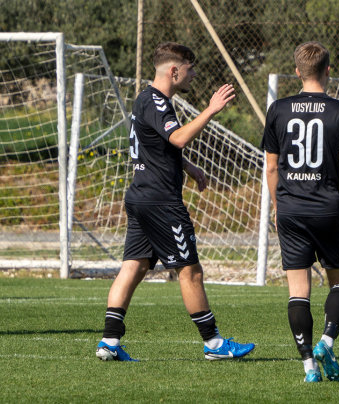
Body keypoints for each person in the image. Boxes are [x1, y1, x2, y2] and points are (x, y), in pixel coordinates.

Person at [95, 42, 254, 362]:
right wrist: (211, 109)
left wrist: (189, 167)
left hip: (141, 196)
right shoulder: (157, 101)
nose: (193, 74)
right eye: (190, 68)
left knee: (134, 266)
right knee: (190, 271)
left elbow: (157, 145)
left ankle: (109, 342)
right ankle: (214, 344)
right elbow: (177, 138)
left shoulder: (145, 98)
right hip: (161, 202)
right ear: (174, 71)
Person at [262, 42, 339, 383]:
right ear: (328, 71)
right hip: (328, 209)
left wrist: (279, 208)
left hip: (291, 208)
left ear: (297, 72)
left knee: (298, 291)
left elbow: (272, 168)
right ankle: (326, 341)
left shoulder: (278, 109)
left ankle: (309, 368)